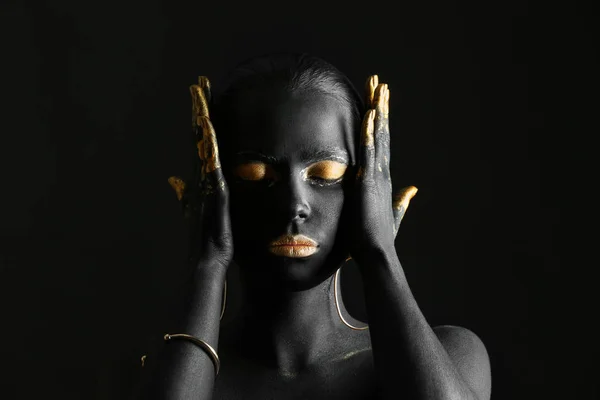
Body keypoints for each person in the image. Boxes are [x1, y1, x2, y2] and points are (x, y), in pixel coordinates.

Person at [136, 52, 491, 399]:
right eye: (256, 175)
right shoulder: (158, 373)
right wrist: (208, 262)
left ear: (367, 187)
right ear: (214, 189)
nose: (294, 205)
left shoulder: (454, 356)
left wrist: (378, 252)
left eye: (325, 175)